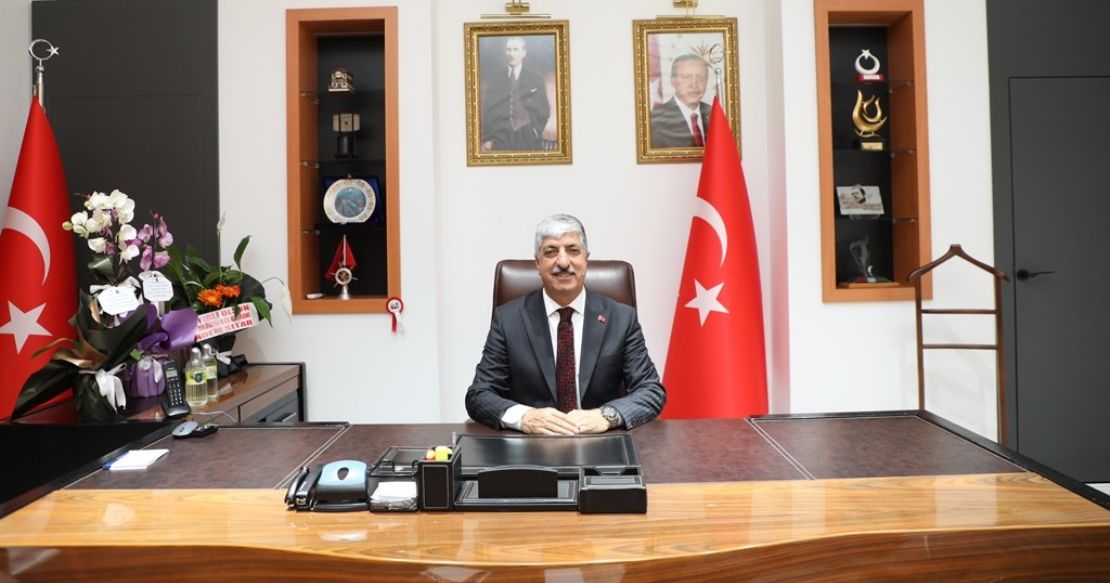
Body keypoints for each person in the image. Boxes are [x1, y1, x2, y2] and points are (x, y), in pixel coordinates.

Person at [466, 214, 666, 435]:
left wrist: (605, 416)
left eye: (573, 250)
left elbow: (651, 391)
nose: (562, 262)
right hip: (532, 443)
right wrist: (525, 418)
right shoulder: (508, 319)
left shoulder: (621, 318)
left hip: (600, 441)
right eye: (551, 252)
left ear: (586, 259)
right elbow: (479, 395)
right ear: (538, 263)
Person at [480, 36, 551, 152]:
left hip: (529, 138)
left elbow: (544, 110)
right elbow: (489, 112)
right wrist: (488, 138)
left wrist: (535, 130)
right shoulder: (494, 79)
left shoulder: (536, 79)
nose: (511, 54)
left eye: (515, 49)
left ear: (524, 53)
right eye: (508, 49)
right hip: (501, 139)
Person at [649, 54, 713, 148]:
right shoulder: (654, 121)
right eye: (686, 77)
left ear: (707, 80)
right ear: (673, 81)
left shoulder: (715, 115)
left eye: (701, 77)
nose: (694, 85)